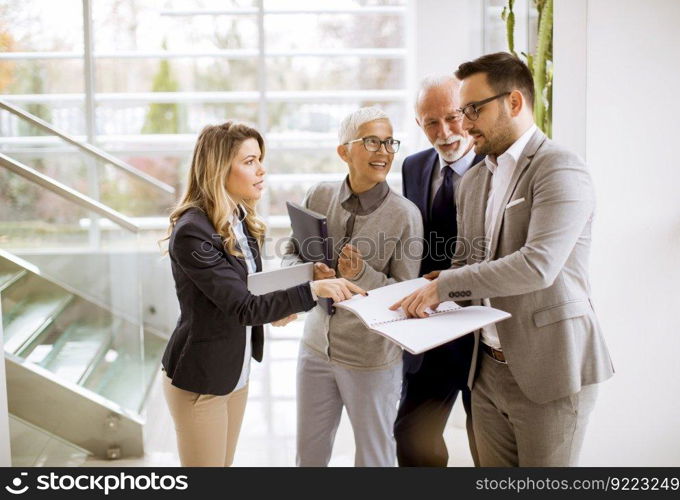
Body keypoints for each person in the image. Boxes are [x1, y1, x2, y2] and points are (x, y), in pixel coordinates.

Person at [391, 52, 614, 466]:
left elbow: (537, 266)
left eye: (473, 109)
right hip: (487, 369)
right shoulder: (477, 177)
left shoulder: (559, 168)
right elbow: (469, 260)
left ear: (513, 103)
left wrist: (444, 285)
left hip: (549, 368)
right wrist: (429, 286)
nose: (465, 122)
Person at [160, 121, 365, 467]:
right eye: (250, 161)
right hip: (201, 382)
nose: (261, 169)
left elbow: (245, 287)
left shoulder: (238, 220)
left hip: (233, 372)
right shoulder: (192, 232)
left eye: (260, 159)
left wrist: (302, 279)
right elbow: (242, 306)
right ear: (219, 167)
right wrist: (312, 290)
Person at [283, 107, 423, 467]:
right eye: (372, 141)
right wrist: (306, 272)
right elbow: (290, 252)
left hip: (370, 359)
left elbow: (408, 296)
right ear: (344, 151)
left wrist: (362, 274)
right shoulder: (318, 194)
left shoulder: (406, 215)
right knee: (308, 457)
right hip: (316, 348)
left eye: (389, 142)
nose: (384, 151)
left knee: (375, 459)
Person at [394, 75, 483, 467]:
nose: (444, 132)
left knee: (487, 444)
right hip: (430, 328)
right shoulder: (414, 166)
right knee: (412, 434)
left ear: (469, 113)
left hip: (483, 327)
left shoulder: (497, 163)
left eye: (452, 118)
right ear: (418, 124)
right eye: (431, 122)